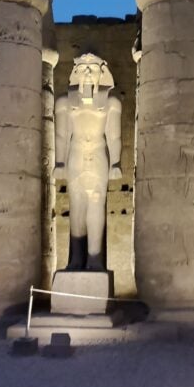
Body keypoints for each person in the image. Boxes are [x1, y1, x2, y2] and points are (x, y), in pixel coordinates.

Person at [53, 53, 122, 271]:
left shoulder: (111, 101)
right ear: (76, 72)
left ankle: (94, 257)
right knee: (77, 206)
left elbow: (114, 136)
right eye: (84, 68)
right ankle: (76, 259)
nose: (89, 73)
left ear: (103, 73)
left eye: (93, 68)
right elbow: (62, 135)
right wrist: (60, 162)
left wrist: (116, 163)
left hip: (99, 155)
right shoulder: (65, 101)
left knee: (96, 203)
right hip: (76, 155)